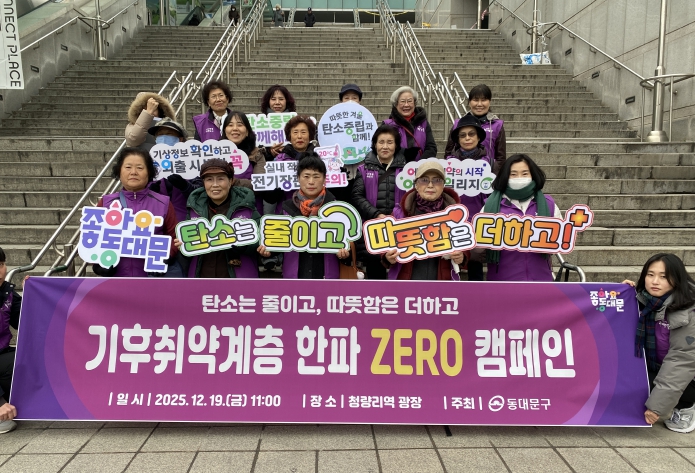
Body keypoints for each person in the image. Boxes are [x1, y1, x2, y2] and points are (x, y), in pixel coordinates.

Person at [623, 254, 695, 433]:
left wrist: (656, 407)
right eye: (650, 274)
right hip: (658, 365)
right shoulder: (645, 300)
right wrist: (622, 294)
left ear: (677, 279)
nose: (655, 281)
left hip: (687, 372)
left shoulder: (689, 312)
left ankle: (687, 406)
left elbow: (681, 362)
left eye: (664, 277)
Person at [257, 155, 350, 279]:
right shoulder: (287, 208)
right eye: (306, 176)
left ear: (324, 179)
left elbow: (349, 244)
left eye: (316, 176)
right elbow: (280, 241)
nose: (311, 182)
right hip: (294, 278)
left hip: (327, 276)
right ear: (298, 178)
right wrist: (268, 251)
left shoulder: (336, 208)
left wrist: (345, 254)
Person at [93, 148, 179, 278]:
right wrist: (97, 261)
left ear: (149, 172)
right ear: (119, 171)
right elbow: (92, 236)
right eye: (128, 167)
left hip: (152, 280)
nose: (133, 172)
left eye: (140, 168)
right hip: (115, 281)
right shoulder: (106, 203)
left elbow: (175, 238)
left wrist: (165, 256)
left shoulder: (164, 203)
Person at [481, 154, 561, 282]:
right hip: (502, 281)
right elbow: (478, 245)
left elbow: (560, 238)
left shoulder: (548, 204)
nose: (519, 178)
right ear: (505, 176)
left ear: (533, 175)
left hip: (540, 279)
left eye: (525, 174)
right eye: (513, 174)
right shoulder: (490, 206)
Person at [383, 160, 467, 280]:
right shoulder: (400, 213)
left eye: (437, 180)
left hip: (442, 282)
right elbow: (384, 244)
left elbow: (465, 244)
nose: (430, 185)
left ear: (443, 185)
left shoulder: (456, 214)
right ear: (416, 185)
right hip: (406, 282)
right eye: (424, 180)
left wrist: (462, 256)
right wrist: (387, 257)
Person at [177, 159, 261, 278]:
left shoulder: (246, 206)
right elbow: (187, 246)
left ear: (230, 181)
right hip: (202, 277)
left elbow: (261, 240)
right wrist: (183, 244)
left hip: (238, 278)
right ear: (203, 182)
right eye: (209, 179)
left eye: (221, 179)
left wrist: (238, 242)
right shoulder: (194, 207)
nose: (215, 184)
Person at [351, 124, 406, 279]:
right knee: (375, 274)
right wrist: (376, 215)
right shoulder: (363, 169)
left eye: (390, 142)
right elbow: (357, 196)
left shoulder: (406, 170)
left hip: (399, 228)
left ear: (396, 145)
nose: (385, 146)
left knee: (401, 273)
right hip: (373, 229)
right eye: (381, 142)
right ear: (375, 144)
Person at [446, 114, 489, 281]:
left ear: (478, 137)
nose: (467, 138)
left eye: (471, 134)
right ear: (458, 139)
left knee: (475, 264)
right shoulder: (448, 163)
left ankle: (476, 295)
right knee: (451, 262)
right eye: (462, 135)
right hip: (453, 219)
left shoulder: (489, 163)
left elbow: (492, 194)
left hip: (478, 218)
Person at [444, 84, 506, 173]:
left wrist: (491, 174)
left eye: (483, 100)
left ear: (489, 102)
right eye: (475, 100)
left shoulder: (497, 125)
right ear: (469, 102)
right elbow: (448, 152)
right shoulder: (458, 123)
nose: (479, 104)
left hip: (486, 174)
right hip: (459, 174)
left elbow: (501, 158)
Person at [147, 118, 200, 223]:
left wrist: (185, 186)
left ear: (180, 139)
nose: (163, 137)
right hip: (157, 220)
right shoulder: (148, 161)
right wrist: (149, 190)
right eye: (159, 134)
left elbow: (201, 194)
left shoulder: (194, 161)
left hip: (187, 220)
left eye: (168, 134)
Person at [384, 86, 437, 162]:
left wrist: (419, 165)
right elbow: (383, 148)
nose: (406, 105)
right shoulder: (388, 125)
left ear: (415, 103)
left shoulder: (424, 123)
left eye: (409, 101)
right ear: (396, 104)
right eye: (402, 101)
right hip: (396, 167)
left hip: (420, 167)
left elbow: (431, 147)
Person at [0, 247, 19, 434]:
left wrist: (37, 291)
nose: (0, 272)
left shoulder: (6, 292)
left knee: (28, 357)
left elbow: (28, 320)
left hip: (2, 354)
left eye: (1, 264)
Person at [220, 111, 267, 188]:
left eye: (240, 125)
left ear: (247, 131)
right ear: (225, 131)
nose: (235, 128)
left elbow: (260, 183)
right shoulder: (215, 152)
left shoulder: (257, 154)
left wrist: (235, 182)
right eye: (230, 125)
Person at [260, 85, 297, 158]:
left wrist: (286, 149)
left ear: (287, 101)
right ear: (268, 102)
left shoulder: (295, 122)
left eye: (281, 99)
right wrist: (268, 151)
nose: (277, 102)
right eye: (273, 99)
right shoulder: (260, 123)